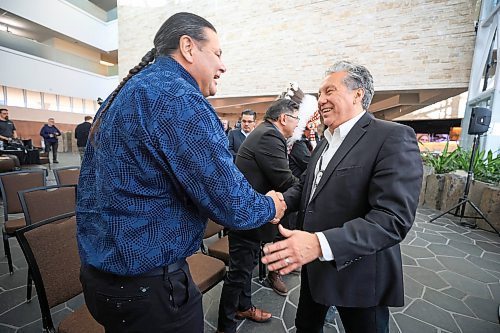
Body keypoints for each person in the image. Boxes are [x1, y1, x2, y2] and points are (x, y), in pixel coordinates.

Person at [76, 12, 286, 333]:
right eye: (217, 53)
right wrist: (272, 205)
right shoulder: (178, 97)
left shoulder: (128, 92)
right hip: (149, 288)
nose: (223, 65)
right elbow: (231, 204)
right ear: (188, 47)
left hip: (102, 278)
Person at [262, 60, 423, 333]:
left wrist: (319, 243)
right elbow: (307, 185)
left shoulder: (392, 137)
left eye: (329, 91)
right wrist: (280, 202)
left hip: (359, 276)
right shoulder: (327, 139)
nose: (321, 100)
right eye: (320, 93)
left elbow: (392, 219)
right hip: (316, 268)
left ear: (357, 94)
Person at [217, 98, 300, 333]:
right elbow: (284, 179)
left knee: (246, 266)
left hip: (252, 215)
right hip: (246, 216)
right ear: (284, 118)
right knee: (239, 272)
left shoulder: (266, 132)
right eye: (296, 119)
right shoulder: (269, 136)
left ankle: (243, 306)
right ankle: (225, 326)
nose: (297, 125)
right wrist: (308, 190)